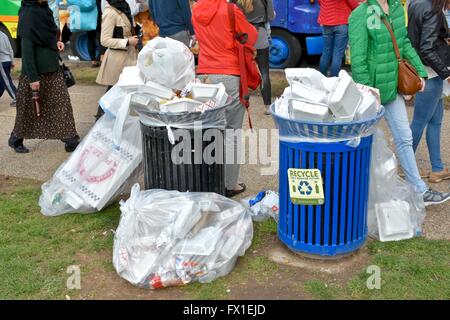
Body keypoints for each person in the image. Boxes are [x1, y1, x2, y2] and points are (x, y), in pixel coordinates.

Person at [349, 0, 450, 206]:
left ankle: (419, 190)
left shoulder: (396, 8)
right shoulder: (360, 14)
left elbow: (403, 44)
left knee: (404, 138)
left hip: (392, 88)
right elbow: (358, 60)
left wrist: (421, 73)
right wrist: (370, 92)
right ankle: (354, 191)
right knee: (360, 142)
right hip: (372, 93)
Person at [192, 0, 258, 197]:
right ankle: (229, 184)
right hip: (229, 74)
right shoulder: (230, 10)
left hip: (204, 76)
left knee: (207, 130)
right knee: (231, 133)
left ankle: (207, 180)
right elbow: (251, 36)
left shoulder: (196, 10)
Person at [9, 0, 79, 154]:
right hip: (34, 73)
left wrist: (56, 42)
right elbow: (27, 50)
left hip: (53, 70)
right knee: (27, 110)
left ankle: (70, 139)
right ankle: (16, 138)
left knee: (62, 103)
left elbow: (48, 35)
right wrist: (33, 78)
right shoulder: (28, 14)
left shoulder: (45, 11)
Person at [408, 0, 450, 183]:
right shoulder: (432, 9)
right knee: (419, 122)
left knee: (435, 121)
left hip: (425, 71)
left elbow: (418, 37)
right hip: (431, 73)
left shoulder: (416, 3)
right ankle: (403, 164)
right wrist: (446, 73)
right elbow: (427, 48)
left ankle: (437, 168)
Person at [95, 0, 139, 120]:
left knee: (121, 93)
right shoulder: (110, 12)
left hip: (128, 57)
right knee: (112, 92)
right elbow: (104, 40)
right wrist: (127, 41)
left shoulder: (124, 7)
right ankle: (100, 121)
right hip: (117, 60)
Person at [240, 0, 275, 115]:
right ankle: (267, 106)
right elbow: (270, 16)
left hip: (244, 37)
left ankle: (240, 103)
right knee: (264, 71)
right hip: (260, 35)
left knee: (241, 71)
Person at [318, 0, 361, 77]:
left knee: (326, 52)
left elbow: (320, 2)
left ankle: (321, 78)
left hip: (326, 22)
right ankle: (333, 80)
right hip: (342, 23)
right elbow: (353, 4)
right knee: (337, 54)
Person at [0, 30, 17, 106]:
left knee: (6, 81)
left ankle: (17, 98)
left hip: (2, 61)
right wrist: (12, 61)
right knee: (2, 81)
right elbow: (10, 48)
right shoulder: (4, 34)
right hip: (8, 60)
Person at [87, 0, 105, 67]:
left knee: (90, 38)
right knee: (102, 36)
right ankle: (102, 59)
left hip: (88, 15)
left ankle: (93, 61)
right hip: (98, 12)